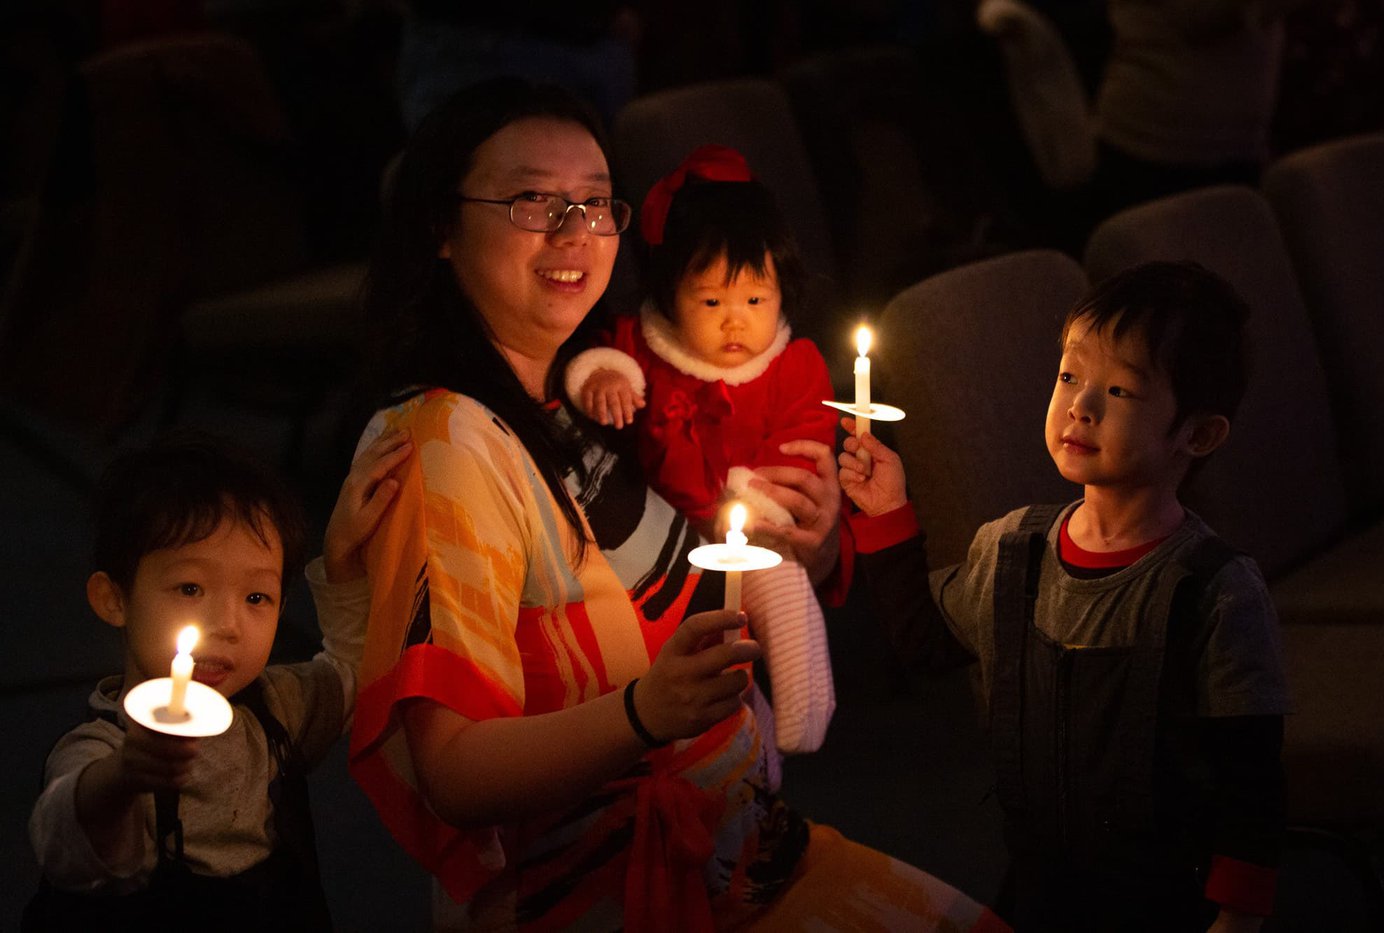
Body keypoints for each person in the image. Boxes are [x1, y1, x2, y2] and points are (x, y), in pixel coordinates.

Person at [349, 75, 1009, 932]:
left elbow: (676, 555)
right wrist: (641, 712)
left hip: (738, 845)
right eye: (530, 202)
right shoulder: (450, 447)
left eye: (594, 203)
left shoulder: (577, 392)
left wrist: (800, 546)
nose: (574, 232)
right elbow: (455, 771)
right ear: (442, 225)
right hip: (622, 885)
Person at [839, 260, 1289, 932]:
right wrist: (887, 514)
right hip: (1041, 892)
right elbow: (924, 642)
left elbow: (1252, 785)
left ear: (1197, 434)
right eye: (1070, 376)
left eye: (1121, 390)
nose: (1080, 405)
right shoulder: (1014, 550)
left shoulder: (1215, 592)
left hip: (1164, 902)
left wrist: (1235, 917)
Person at [26, 428, 410, 932]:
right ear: (114, 599)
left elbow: (355, 672)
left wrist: (340, 557)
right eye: (190, 587)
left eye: (257, 598)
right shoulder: (102, 745)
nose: (227, 625)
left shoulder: (276, 708)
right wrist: (123, 777)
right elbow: (61, 838)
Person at [563, 143, 836, 755]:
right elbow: (603, 364)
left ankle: (804, 707)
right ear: (668, 295)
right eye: (711, 302)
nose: (735, 322)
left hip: (754, 538)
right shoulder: (648, 350)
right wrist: (600, 378)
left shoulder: (793, 366)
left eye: (755, 301)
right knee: (707, 675)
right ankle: (745, 749)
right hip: (662, 549)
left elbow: (803, 443)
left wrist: (760, 504)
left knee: (780, 586)